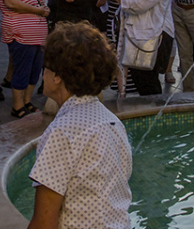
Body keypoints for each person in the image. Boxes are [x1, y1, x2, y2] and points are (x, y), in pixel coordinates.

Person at [27, 23, 132, 229]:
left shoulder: (63, 132)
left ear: (57, 77)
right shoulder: (112, 122)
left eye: (45, 68)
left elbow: (44, 221)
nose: (43, 74)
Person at [102, 0, 173, 96]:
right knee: (144, 80)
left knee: (147, 82)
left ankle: (154, 114)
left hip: (153, 39)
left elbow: (137, 4)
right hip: (145, 38)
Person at [0, 0, 49, 118]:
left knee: (34, 71)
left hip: (37, 37)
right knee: (22, 70)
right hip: (21, 36)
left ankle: (27, 101)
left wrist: (43, 7)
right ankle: (17, 106)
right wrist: (37, 11)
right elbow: (12, 2)